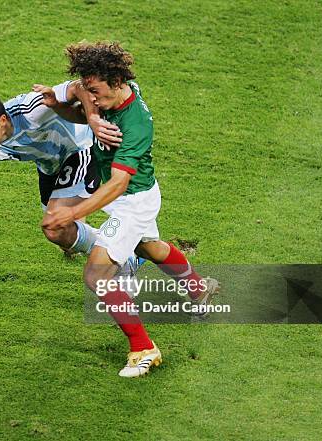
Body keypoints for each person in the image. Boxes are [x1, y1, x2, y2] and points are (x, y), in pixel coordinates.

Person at [36, 42, 219, 377]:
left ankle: (143, 348)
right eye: (89, 89)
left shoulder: (136, 126)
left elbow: (118, 184)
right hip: (135, 195)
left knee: (96, 275)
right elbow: (81, 96)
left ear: (116, 82)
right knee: (147, 248)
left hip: (131, 200)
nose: (90, 95)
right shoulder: (114, 89)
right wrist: (64, 107)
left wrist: (73, 213)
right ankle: (198, 288)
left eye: (96, 91)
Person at [0, 87, 132, 281]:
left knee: (53, 226)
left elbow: (78, 86)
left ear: (2, 121)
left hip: (79, 149)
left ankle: (121, 256)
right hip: (49, 166)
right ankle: (128, 243)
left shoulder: (32, 109)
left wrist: (92, 119)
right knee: (64, 238)